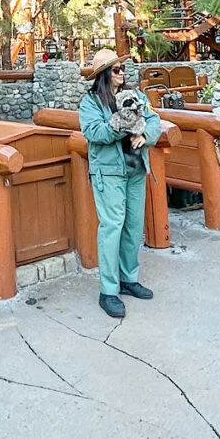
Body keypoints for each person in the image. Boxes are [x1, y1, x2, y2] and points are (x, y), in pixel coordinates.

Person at [79, 48, 161, 318]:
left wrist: (144, 135)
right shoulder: (90, 102)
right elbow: (94, 132)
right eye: (116, 70)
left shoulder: (136, 95)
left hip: (136, 169)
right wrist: (120, 123)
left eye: (123, 69)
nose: (122, 73)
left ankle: (128, 279)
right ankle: (108, 290)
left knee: (133, 225)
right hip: (109, 173)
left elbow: (154, 121)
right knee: (112, 226)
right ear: (104, 74)